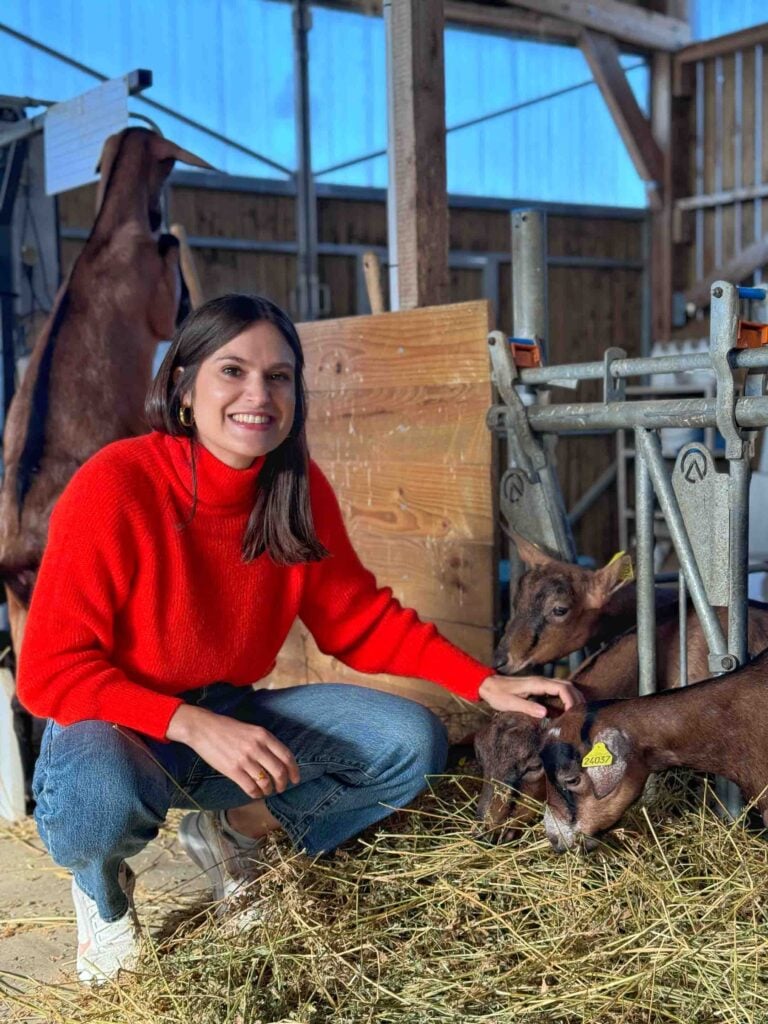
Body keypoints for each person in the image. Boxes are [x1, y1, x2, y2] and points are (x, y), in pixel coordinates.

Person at [17, 293, 581, 984]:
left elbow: (358, 619)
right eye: (233, 371)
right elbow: (48, 673)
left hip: (225, 713)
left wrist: (482, 683)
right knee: (96, 797)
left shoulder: (294, 490)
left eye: (279, 376)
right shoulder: (117, 483)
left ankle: (232, 832)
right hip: (112, 727)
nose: (259, 394)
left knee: (411, 744)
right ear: (185, 388)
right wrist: (186, 722)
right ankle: (101, 898)